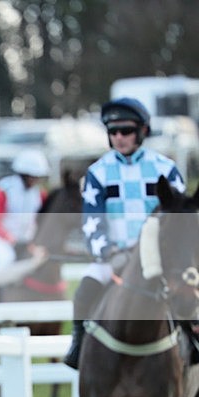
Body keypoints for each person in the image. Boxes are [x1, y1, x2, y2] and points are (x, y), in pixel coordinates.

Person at [63, 97, 186, 369]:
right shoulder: (98, 172)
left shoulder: (165, 169)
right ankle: (79, 346)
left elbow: (181, 220)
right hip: (115, 255)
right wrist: (106, 251)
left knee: (187, 292)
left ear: (142, 131)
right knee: (84, 290)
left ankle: (191, 344)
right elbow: (92, 220)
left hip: (159, 257)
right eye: (113, 131)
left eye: (126, 131)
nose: (119, 137)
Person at [0, 149, 49, 269]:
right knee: (5, 260)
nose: (35, 180)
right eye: (32, 177)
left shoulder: (39, 194)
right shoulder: (4, 189)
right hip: (4, 240)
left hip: (28, 241)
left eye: (37, 177)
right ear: (23, 174)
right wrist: (10, 239)